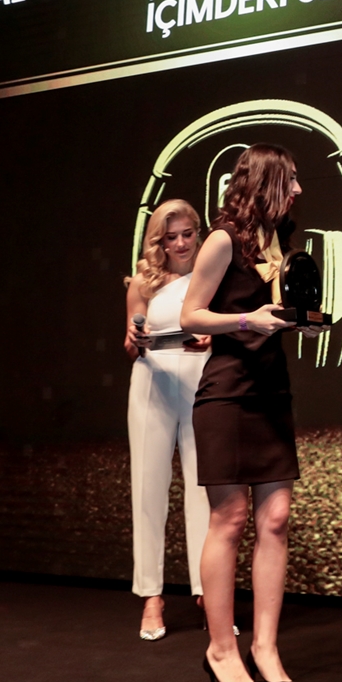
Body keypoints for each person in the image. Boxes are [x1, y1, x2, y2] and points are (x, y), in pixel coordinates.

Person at [179, 144, 321, 682]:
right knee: (230, 519)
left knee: (277, 518)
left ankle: (265, 647)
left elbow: (273, 314)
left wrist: (299, 322)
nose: (299, 189)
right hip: (227, 394)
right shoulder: (222, 240)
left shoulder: (280, 241)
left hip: (271, 391)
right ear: (266, 182)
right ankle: (221, 648)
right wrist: (246, 320)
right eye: (292, 179)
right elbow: (191, 315)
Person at [123, 199, 212, 642]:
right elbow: (129, 345)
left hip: (201, 382)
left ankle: (207, 593)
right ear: (158, 240)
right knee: (148, 489)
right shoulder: (144, 281)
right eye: (170, 237)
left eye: (186, 234)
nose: (180, 244)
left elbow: (227, 330)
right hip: (152, 382)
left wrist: (211, 338)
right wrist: (135, 338)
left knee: (205, 491)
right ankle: (151, 597)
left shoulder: (213, 275)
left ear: (198, 233)